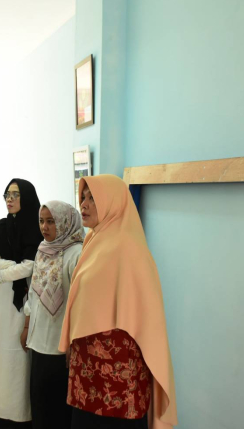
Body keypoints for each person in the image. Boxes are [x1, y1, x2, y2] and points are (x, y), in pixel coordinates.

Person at [58, 175, 178, 429]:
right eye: (83, 197)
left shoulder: (130, 248)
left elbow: (148, 315)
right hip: (87, 367)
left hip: (118, 372)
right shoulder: (93, 241)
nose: (84, 204)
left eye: (93, 198)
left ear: (112, 201)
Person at [0, 179, 42, 428]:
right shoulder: (1, 227)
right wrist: (14, 267)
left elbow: (31, 267)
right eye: (7, 194)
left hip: (22, 302)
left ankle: (17, 416)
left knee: (17, 358)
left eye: (16, 194)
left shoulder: (36, 229)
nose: (10, 199)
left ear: (27, 197)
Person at [22, 201, 84, 429]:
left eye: (51, 221)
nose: (44, 227)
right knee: (39, 399)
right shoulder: (43, 249)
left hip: (61, 343)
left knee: (57, 405)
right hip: (39, 339)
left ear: (65, 222)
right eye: (41, 221)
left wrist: (73, 342)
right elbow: (33, 292)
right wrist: (27, 326)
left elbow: (80, 303)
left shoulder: (77, 254)